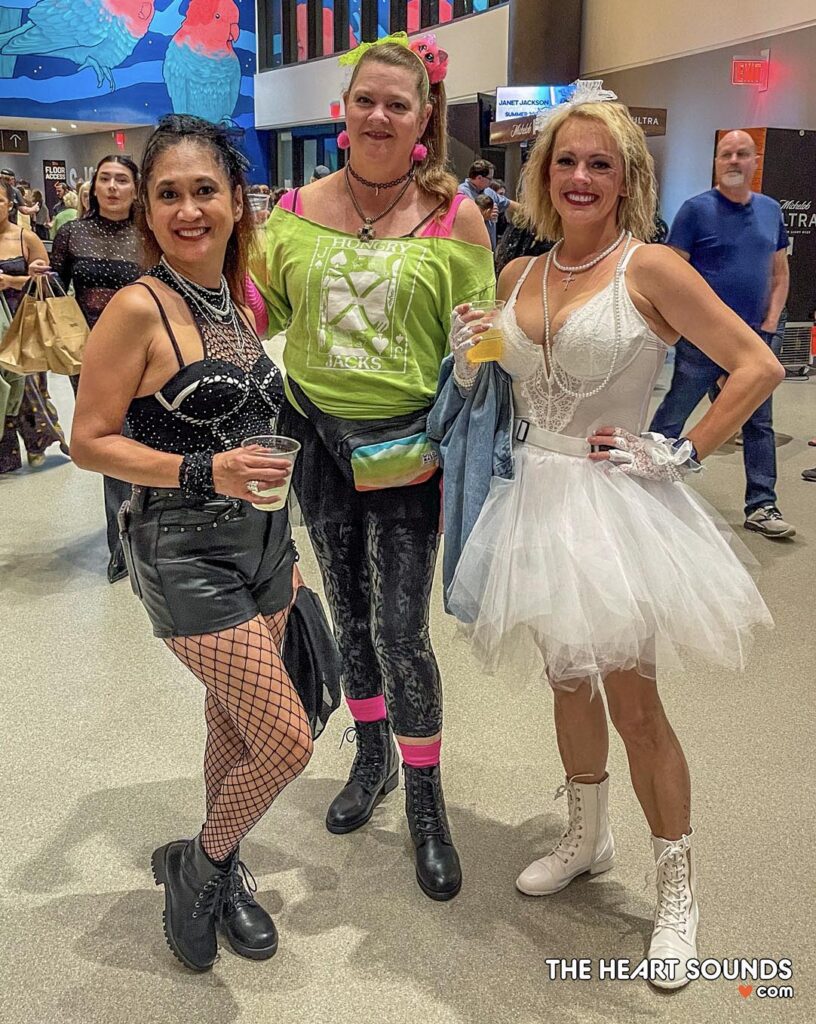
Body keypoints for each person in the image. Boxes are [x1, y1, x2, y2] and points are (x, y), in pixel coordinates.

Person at [445, 91, 782, 988]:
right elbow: (511, 383)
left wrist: (682, 450)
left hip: (613, 505)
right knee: (566, 681)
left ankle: (677, 889)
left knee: (636, 705)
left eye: (601, 163)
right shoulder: (519, 274)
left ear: (627, 177)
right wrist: (473, 351)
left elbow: (756, 365)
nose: (581, 176)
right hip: (534, 498)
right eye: (567, 161)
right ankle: (586, 838)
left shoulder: (653, 267)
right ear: (542, 174)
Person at [70, 115, 313, 972]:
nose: (187, 209)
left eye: (204, 190)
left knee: (235, 726)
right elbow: (88, 440)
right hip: (183, 553)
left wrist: (287, 535)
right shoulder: (139, 307)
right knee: (287, 741)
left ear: (238, 201)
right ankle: (199, 869)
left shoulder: (236, 300)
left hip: (265, 548)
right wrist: (207, 470)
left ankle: (224, 863)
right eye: (167, 193)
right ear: (146, 208)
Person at [253, 35, 494, 901]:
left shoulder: (455, 216)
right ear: (343, 111)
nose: (380, 116)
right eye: (367, 100)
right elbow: (258, 312)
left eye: (399, 104)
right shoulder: (293, 210)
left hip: (407, 450)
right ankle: (372, 757)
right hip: (317, 438)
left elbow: (479, 342)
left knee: (399, 630)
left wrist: (492, 355)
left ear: (425, 117)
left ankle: (426, 799)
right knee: (349, 618)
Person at [650, 130, 793, 539]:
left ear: (755, 161)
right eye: (726, 154)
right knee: (673, 413)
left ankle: (762, 505)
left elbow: (780, 274)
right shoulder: (695, 211)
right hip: (701, 342)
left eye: (742, 154)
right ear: (716, 162)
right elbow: (671, 277)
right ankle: (644, 489)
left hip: (753, 341)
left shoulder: (770, 211)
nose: (733, 160)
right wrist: (682, 331)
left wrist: (769, 328)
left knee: (758, 423)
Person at [48, 154, 143, 583]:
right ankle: (120, 543)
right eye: (105, 178)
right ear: (93, 187)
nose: (112, 187)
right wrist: (40, 275)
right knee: (110, 444)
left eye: (121, 179)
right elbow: (57, 288)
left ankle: (148, 531)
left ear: (135, 189)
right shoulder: (72, 233)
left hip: (142, 353)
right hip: (90, 357)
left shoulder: (149, 233)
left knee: (144, 438)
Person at [0, 179, 69, 473]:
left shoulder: (25, 238)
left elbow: (46, 282)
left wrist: (11, 281)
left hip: (24, 324)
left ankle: (37, 441)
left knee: (28, 388)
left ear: (10, 204)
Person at [458, 158, 520, 250]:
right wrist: (484, 216)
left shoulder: (489, 192)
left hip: (489, 250)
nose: (491, 182)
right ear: (479, 178)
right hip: (470, 248)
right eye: (489, 179)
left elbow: (508, 203)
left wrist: (531, 212)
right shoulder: (461, 193)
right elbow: (461, 221)